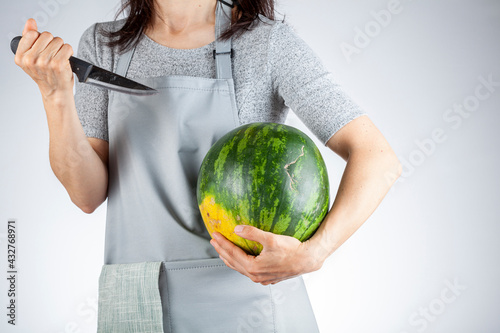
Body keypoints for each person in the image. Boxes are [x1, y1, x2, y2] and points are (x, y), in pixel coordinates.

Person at [13, 0, 402, 331]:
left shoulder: (266, 43)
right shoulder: (103, 46)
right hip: (135, 303)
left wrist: (316, 251)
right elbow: (86, 194)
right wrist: (55, 96)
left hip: (247, 303)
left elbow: (377, 158)